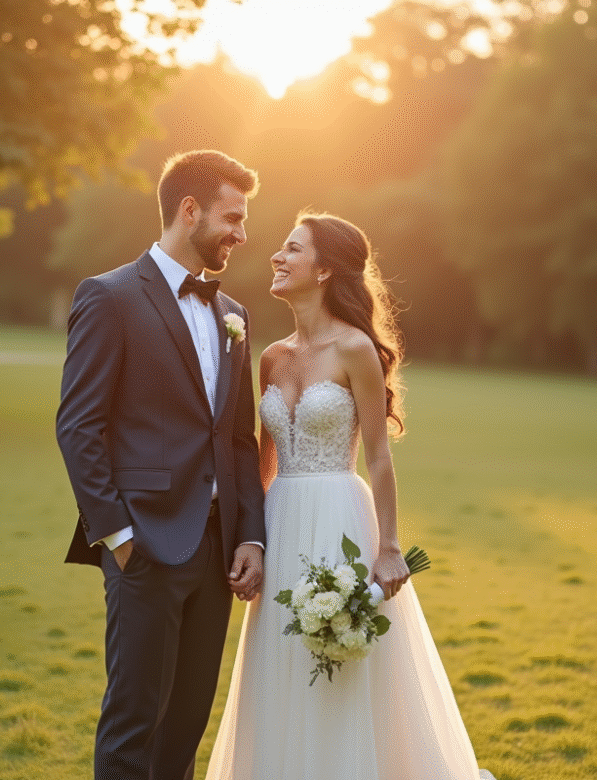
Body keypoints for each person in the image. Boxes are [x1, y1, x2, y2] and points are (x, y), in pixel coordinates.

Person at [206, 212, 494, 780]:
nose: (277, 256)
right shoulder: (272, 356)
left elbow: (379, 456)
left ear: (326, 269)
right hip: (281, 524)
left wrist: (388, 547)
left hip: (340, 521)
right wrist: (250, 539)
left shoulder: (355, 349)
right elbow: (265, 456)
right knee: (283, 660)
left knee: (341, 662)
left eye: (293, 249)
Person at [56, 149, 267, 780]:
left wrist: (250, 533)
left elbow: (239, 438)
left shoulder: (234, 316)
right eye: (233, 217)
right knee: (134, 725)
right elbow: (79, 426)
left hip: (217, 552)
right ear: (190, 210)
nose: (242, 233)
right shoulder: (110, 296)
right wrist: (118, 536)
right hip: (143, 543)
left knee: (186, 725)